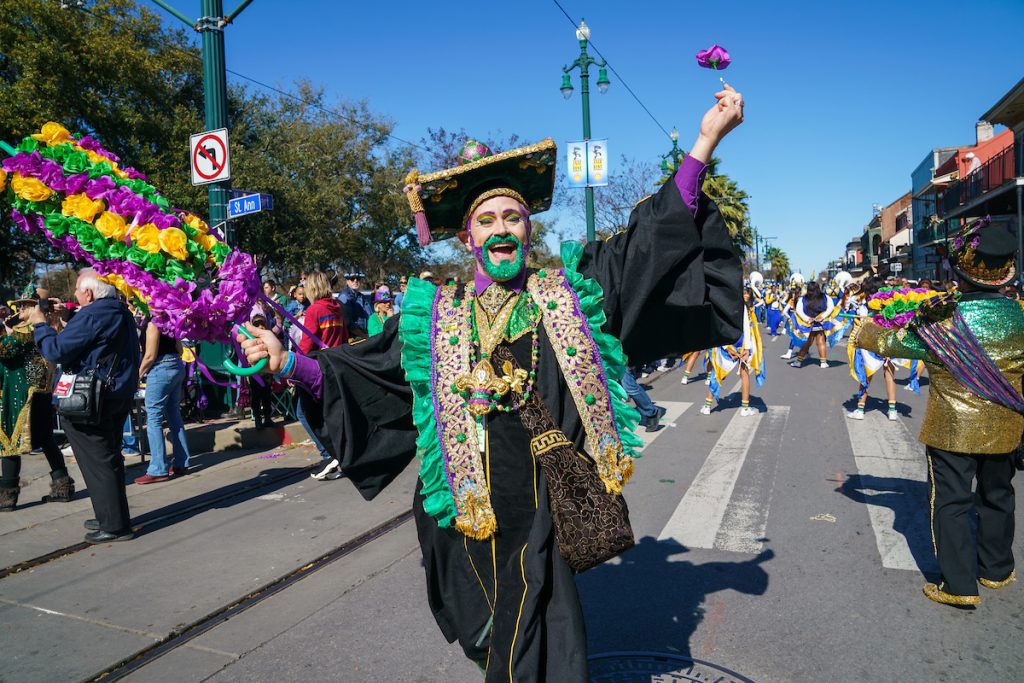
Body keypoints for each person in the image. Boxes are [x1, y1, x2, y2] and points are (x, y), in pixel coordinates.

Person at [238, 84, 744, 680]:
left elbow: (645, 248)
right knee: (490, 630)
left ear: (529, 228)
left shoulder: (567, 297)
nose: (501, 229)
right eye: (487, 220)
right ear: (466, 236)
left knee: (535, 628)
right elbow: (372, 373)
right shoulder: (435, 314)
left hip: (541, 502)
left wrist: (704, 142)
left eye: (512, 217)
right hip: (466, 510)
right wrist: (286, 363)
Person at [852, 217, 1023, 607]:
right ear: (1006, 272)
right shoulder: (1022, 316)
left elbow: (888, 340)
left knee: (951, 501)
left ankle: (960, 586)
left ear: (960, 271)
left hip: (952, 429)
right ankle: (996, 569)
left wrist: (865, 325)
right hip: (1006, 425)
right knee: (999, 495)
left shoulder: (940, 319)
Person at [30, 269, 140, 543]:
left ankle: (114, 525)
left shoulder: (93, 314)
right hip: (117, 393)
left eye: (78, 291)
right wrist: (69, 317)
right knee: (109, 457)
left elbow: (55, 350)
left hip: (94, 399)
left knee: (98, 460)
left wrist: (41, 324)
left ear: (89, 293)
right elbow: (95, 340)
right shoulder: (118, 310)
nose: (74, 296)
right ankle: (111, 515)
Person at [0, 294, 74, 511]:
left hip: (23, 396)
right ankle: (62, 488)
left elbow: (5, 350)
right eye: (20, 305)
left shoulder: (26, 331)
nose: (19, 308)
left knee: (10, 440)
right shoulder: (38, 329)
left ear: (35, 309)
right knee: (46, 439)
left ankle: (6, 497)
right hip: (40, 392)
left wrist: (8, 331)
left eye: (25, 305)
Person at [296, 271, 348, 480]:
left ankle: (328, 454)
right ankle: (340, 455)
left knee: (303, 412)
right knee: (333, 413)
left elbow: (307, 344)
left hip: (317, 368)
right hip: (337, 365)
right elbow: (344, 337)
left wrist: (294, 365)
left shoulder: (314, 310)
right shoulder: (337, 308)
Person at [134, 321, 191, 483]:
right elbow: (180, 348)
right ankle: (182, 462)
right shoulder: (171, 320)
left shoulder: (153, 323)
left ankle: (158, 468)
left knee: (153, 417)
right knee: (174, 415)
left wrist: (137, 375)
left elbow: (150, 355)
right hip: (176, 365)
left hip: (160, 368)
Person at [846, 276, 907, 421]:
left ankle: (860, 409)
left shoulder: (864, 305)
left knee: (865, 376)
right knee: (890, 375)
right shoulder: (890, 304)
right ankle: (892, 411)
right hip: (889, 342)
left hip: (871, 344)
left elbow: (861, 324)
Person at [701, 286, 765, 416]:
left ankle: (707, 406)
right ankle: (745, 408)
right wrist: (746, 349)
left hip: (728, 343)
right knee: (744, 375)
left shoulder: (724, 306)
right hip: (740, 344)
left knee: (718, 374)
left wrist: (727, 347)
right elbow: (747, 329)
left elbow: (720, 328)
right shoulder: (745, 308)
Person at [337, 272, 371, 337]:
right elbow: (347, 322)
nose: (355, 281)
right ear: (347, 282)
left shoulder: (362, 297)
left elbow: (370, 315)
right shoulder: (344, 297)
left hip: (365, 335)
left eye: (358, 279)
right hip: (353, 338)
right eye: (352, 279)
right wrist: (363, 335)